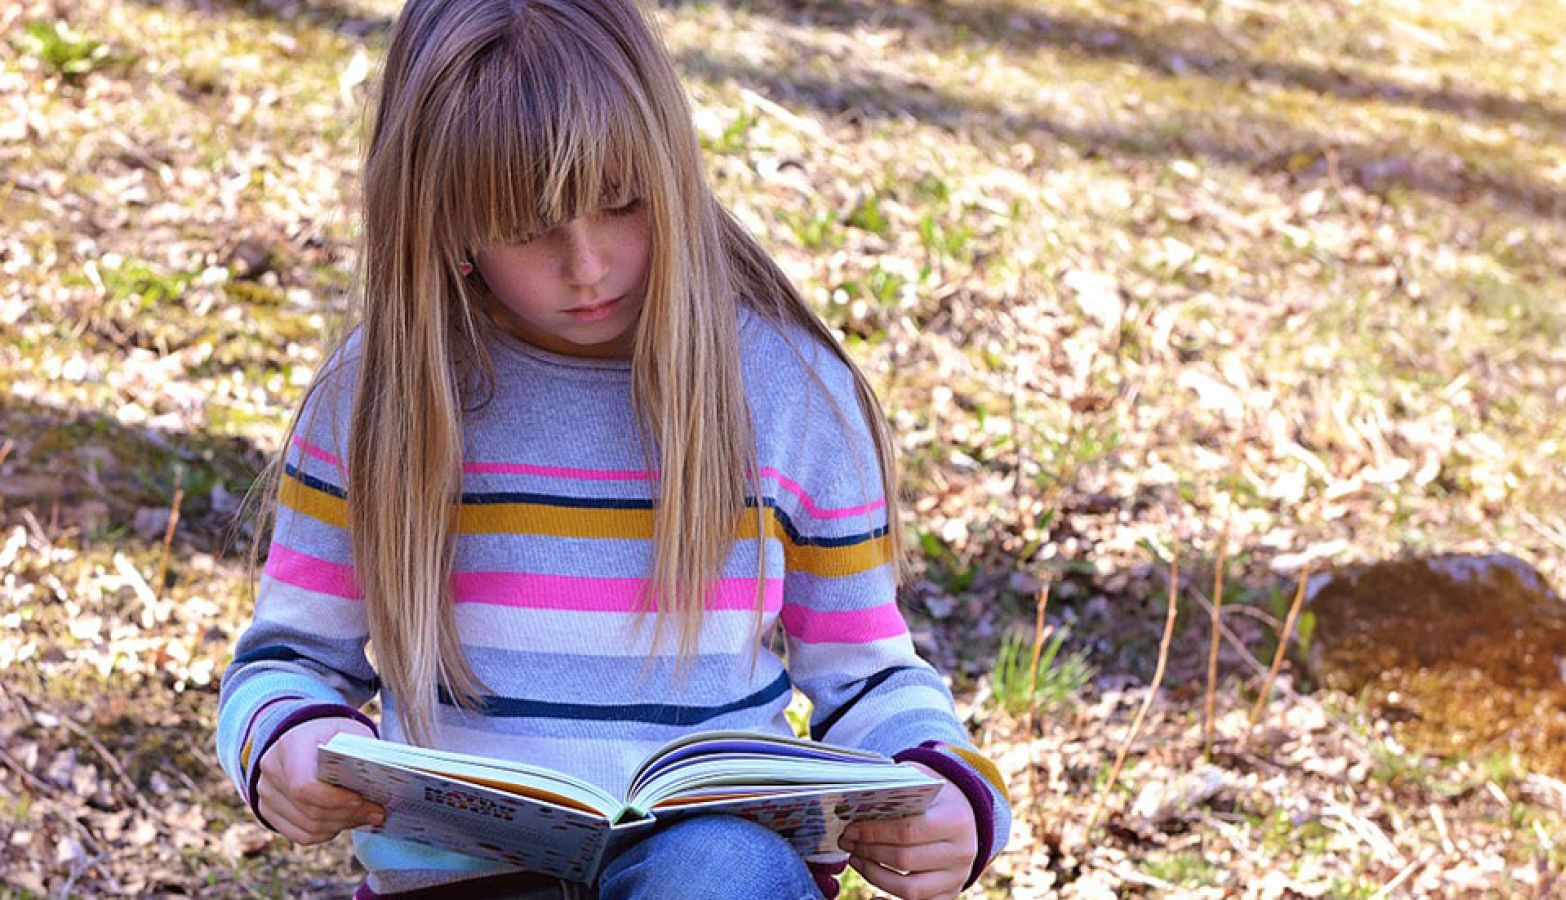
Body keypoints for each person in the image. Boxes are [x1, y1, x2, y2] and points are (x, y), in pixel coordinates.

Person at [214, 0, 1012, 897]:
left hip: (709, 869)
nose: (587, 264)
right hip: (456, 878)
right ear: (443, 220)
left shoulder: (789, 391)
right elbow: (285, 663)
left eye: (622, 204)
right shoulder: (378, 394)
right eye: (526, 227)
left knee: (723, 870)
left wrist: (947, 791)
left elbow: (864, 676)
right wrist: (287, 742)